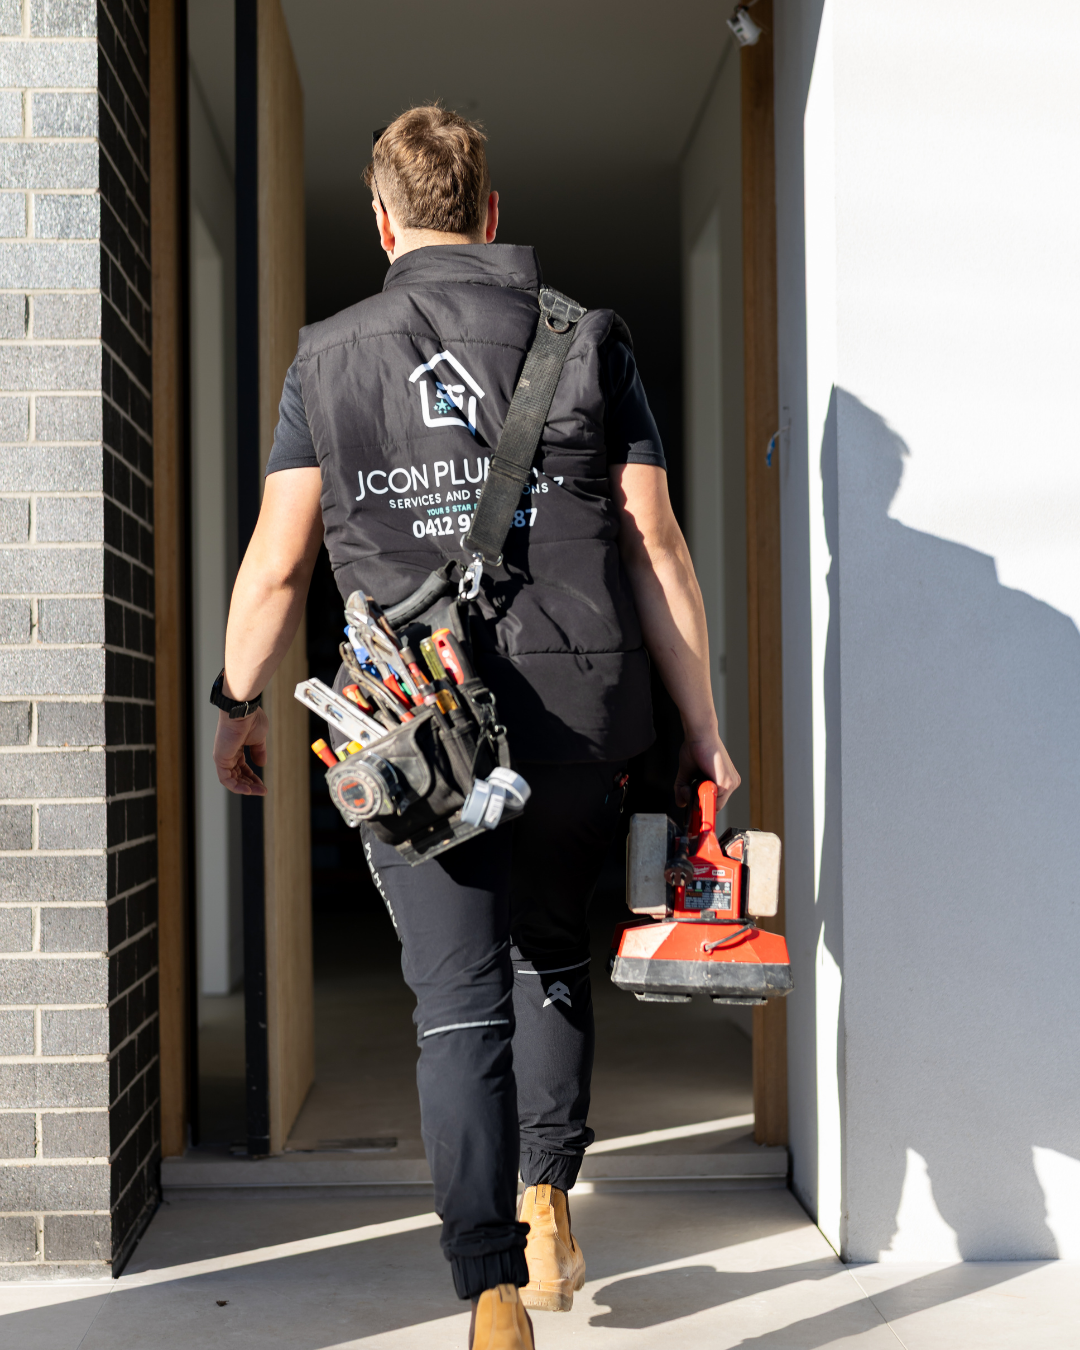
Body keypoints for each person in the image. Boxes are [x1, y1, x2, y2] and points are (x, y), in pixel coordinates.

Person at [211, 105, 739, 1350]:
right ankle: (548, 1204)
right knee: (554, 957)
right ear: (491, 215)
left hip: (412, 729)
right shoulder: (588, 338)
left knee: (457, 1003)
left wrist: (239, 704)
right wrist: (706, 731)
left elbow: (278, 568)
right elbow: (657, 546)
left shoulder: (325, 357)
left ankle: (493, 1295)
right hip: (576, 715)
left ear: (383, 220)